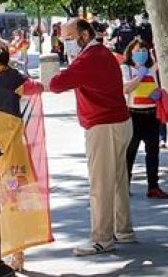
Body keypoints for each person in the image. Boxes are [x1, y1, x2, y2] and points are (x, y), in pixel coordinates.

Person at [48, 18, 136, 256]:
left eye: (67, 39)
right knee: (117, 180)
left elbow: (56, 84)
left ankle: (101, 238)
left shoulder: (88, 58)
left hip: (103, 126)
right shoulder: (102, 53)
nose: (64, 44)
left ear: (84, 36)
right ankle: (123, 230)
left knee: (101, 184)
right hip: (119, 122)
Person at [0, 35, 48, 273]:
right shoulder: (13, 77)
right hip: (11, 148)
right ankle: (16, 253)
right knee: (14, 198)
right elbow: (37, 88)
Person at [121, 38, 168, 199]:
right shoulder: (126, 68)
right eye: (137, 51)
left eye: (144, 51)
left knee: (153, 153)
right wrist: (139, 77)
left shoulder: (152, 69)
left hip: (151, 115)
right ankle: (124, 186)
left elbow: (157, 86)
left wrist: (158, 94)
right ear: (130, 52)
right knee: (130, 153)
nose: (141, 54)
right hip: (133, 115)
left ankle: (153, 187)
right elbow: (126, 89)